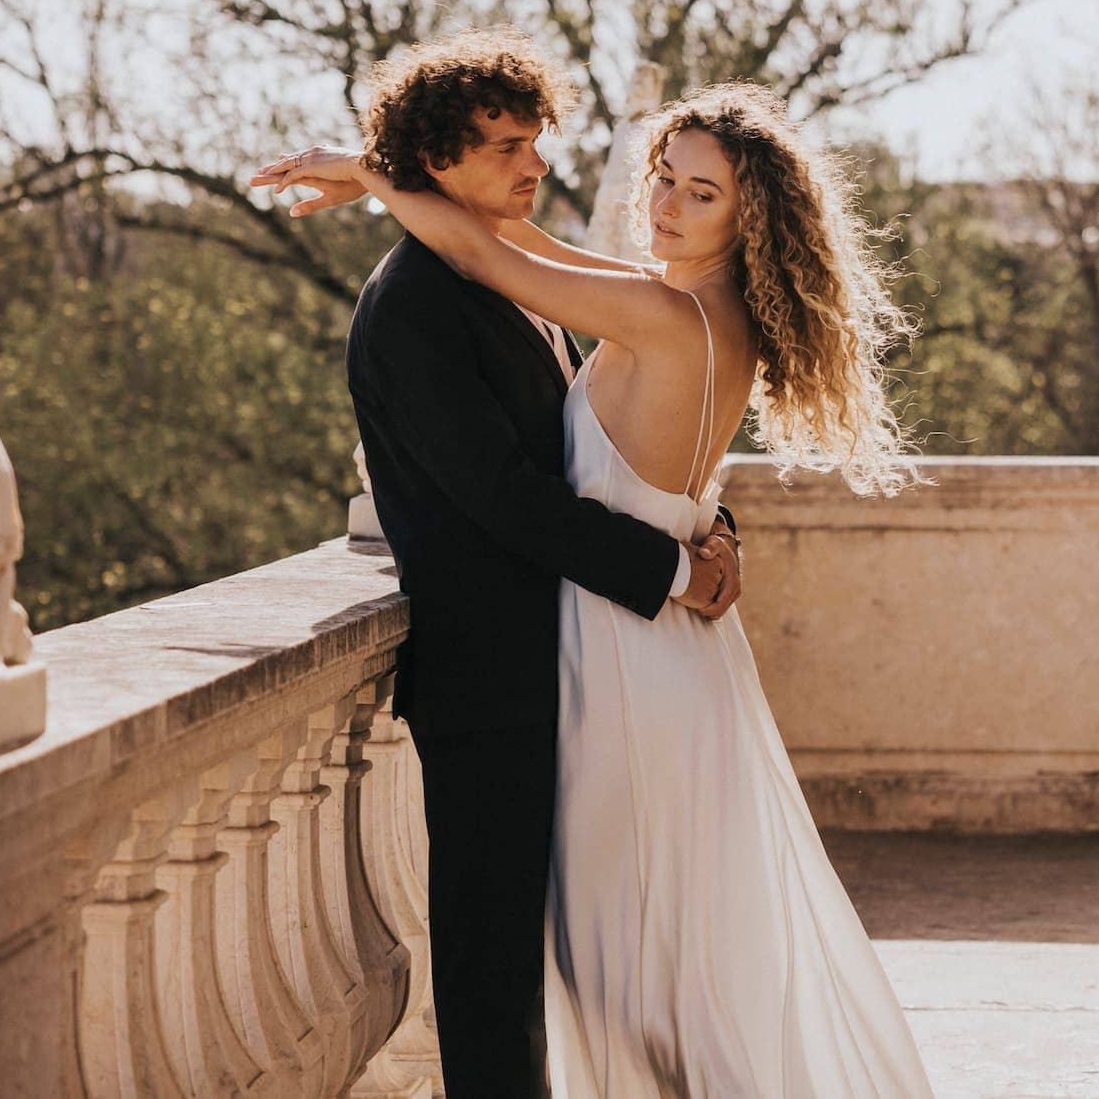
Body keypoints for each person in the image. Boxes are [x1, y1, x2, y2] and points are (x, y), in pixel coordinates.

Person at [259, 68, 933, 1096]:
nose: (661, 202)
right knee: (637, 958)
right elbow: (529, 264)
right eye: (662, 177)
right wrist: (698, 546)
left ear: (752, 215)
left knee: (638, 966)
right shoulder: (674, 304)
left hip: (629, 665)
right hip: (641, 652)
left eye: (698, 191)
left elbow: (494, 253)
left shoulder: (664, 314)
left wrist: (374, 176)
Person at [254, 30, 743, 1097]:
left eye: (536, 142)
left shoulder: (510, 272)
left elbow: (620, 438)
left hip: (574, 664)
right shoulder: (415, 305)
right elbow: (502, 497)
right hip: (494, 680)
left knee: (599, 958)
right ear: (435, 161)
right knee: (493, 970)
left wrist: (709, 529)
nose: (535, 167)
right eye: (507, 149)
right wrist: (669, 573)